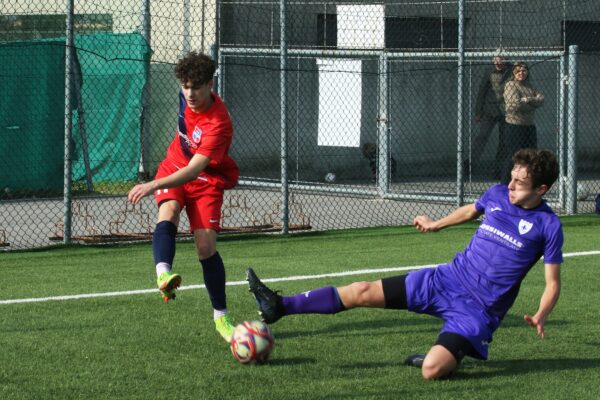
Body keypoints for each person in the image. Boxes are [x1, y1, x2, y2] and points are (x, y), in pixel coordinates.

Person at [247, 148, 562, 380]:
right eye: (511, 177)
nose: (510, 185)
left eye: (519, 183)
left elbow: (552, 283)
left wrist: (541, 314)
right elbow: (471, 210)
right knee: (360, 290)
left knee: (432, 370)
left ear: (541, 189)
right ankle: (280, 305)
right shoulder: (496, 193)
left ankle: (446, 354)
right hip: (446, 280)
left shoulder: (548, 226)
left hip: (477, 310)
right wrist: (436, 224)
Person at [128, 51, 240, 342]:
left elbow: (194, 172)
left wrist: (152, 184)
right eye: (185, 86)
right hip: (173, 166)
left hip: (204, 179)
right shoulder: (185, 96)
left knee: (205, 246)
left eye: (196, 87)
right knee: (169, 211)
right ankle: (163, 275)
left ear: (210, 84)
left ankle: (221, 318)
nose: (189, 93)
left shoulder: (218, 122)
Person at [466, 50, 511, 177]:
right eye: (496, 58)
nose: (498, 61)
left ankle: (498, 169)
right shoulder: (489, 71)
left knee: (503, 141)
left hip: (506, 111)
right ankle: (470, 165)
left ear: (506, 60)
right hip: (489, 110)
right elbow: (482, 91)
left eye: (501, 59)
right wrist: (478, 111)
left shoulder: (511, 70)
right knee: (482, 136)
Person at [500, 62, 545, 184]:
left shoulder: (529, 86)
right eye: (518, 71)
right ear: (514, 72)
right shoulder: (511, 85)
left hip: (528, 126)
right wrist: (531, 105)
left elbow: (541, 99)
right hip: (514, 126)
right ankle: (504, 185)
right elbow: (513, 106)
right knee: (513, 157)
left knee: (531, 156)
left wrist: (528, 100)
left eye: (524, 70)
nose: (521, 73)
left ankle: (526, 184)